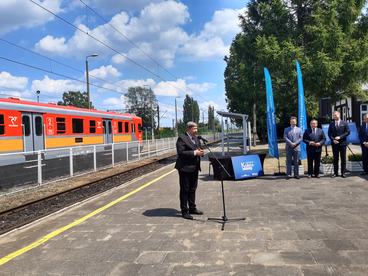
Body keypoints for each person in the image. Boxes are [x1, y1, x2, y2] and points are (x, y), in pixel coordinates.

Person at [175, 121, 204, 220]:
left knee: (193, 189)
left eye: (196, 128)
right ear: (189, 128)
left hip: (195, 167)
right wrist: (195, 153)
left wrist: (201, 152)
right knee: (185, 189)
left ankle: (192, 208)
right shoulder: (182, 138)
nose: (196, 130)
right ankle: (184, 211)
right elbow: (181, 152)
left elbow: (198, 149)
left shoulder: (196, 138)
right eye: (194, 128)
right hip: (184, 168)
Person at [328, 111, 350, 178]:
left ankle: (343, 173)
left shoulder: (344, 123)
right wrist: (333, 140)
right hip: (334, 144)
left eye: (336, 115)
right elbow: (329, 134)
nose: (335, 116)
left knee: (343, 158)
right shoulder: (331, 124)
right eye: (334, 115)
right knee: (335, 158)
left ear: (339, 115)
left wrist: (340, 137)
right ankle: (335, 173)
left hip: (343, 143)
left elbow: (348, 132)